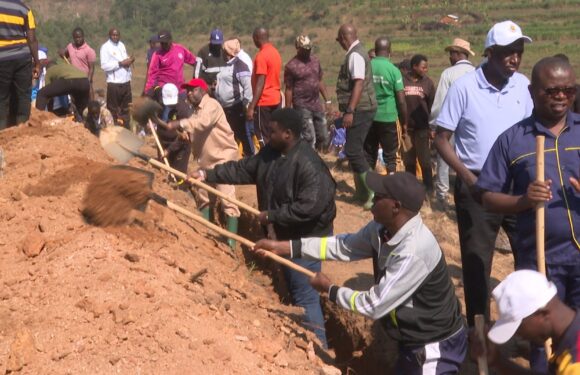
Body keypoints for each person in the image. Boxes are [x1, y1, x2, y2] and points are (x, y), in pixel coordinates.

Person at [254, 172, 466, 372]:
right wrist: (285, 247)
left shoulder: (413, 251)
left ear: (395, 207)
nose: (372, 198)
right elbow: (343, 246)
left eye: (379, 196)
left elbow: (374, 305)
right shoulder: (382, 229)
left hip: (434, 346)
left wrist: (331, 290)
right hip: (410, 341)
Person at [192, 107, 335, 348]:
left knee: (304, 293)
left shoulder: (309, 165)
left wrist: (272, 215)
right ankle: (302, 339)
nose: (267, 135)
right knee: (291, 285)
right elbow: (243, 169)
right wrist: (207, 175)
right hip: (283, 234)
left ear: (288, 134)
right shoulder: (271, 153)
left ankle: (319, 348)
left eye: (272, 131)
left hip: (307, 239)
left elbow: (310, 207)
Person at [476, 56, 580, 371]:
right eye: (552, 91)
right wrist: (522, 200)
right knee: (542, 338)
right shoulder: (513, 140)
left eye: (568, 90)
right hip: (541, 261)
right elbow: (485, 196)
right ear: (533, 91)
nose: (561, 96)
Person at [434, 20, 533, 327]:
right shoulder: (465, 87)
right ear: (490, 53)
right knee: (478, 263)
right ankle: (480, 333)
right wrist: (467, 178)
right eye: (507, 53)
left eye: (518, 52)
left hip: (518, 185)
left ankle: (530, 326)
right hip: (478, 186)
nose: (514, 59)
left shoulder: (523, 85)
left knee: (529, 257)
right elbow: (441, 138)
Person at [155, 79, 240, 245]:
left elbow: (203, 123)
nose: (188, 93)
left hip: (223, 159)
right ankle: (207, 235)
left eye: (192, 90)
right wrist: (186, 135)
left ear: (202, 90)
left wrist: (180, 123)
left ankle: (232, 244)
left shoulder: (212, 105)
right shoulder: (194, 112)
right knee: (202, 195)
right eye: (187, 90)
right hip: (205, 162)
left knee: (227, 198)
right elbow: (195, 129)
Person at [471, 270, 580, 374]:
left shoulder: (574, 365)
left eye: (518, 326)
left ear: (542, 314)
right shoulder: (569, 341)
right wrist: (498, 362)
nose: (518, 335)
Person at [335, 24, 378, 208]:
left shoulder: (354, 55)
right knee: (355, 151)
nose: (340, 45)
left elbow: (358, 84)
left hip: (360, 109)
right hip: (360, 108)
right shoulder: (357, 52)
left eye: (340, 41)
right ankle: (361, 193)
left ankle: (373, 193)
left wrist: (350, 111)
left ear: (344, 38)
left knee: (353, 150)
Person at [429, 38, 475, 209]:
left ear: (457, 54)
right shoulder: (477, 73)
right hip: (471, 125)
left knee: (444, 158)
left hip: (451, 124)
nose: (449, 57)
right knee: (466, 160)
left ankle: (442, 197)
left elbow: (440, 102)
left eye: (451, 54)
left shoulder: (448, 74)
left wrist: (434, 125)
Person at [364, 36, 408, 179]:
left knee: (369, 154)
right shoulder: (393, 70)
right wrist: (404, 121)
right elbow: (401, 101)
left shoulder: (367, 67)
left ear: (375, 51)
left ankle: (368, 189)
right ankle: (391, 188)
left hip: (369, 116)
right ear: (389, 51)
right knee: (391, 156)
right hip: (389, 117)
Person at [284, 35, 331, 150]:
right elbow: (289, 89)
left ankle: (321, 159)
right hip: (301, 105)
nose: (308, 51)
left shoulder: (315, 61)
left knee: (324, 136)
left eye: (309, 48)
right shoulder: (291, 66)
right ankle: (308, 161)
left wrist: (327, 100)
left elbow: (319, 81)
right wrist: (288, 109)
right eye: (305, 49)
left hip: (316, 103)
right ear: (298, 48)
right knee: (309, 137)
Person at [0, 0, 40, 129]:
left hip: (2, 58)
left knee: (2, 96)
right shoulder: (24, 9)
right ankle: (22, 129)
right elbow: (32, 39)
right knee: (23, 95)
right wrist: (37, 63)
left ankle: (2, 132)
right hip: (22, 58)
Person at [402, 54, 435, 191]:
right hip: (406, 128)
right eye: (423, 67)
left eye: (426, 67)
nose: (425, 70)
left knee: (425, 160)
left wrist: (432, 127)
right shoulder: (402, 81)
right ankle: (411, 189)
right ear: (414, 66)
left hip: (422, 128)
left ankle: (428, 188)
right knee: (409, 160)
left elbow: (433, 105)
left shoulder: (428, 83)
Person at [216, 39, 254, 157]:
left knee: (243, 135)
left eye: (223, 51)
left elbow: (248, 87)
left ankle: (250, 158)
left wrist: (246, 105)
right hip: (225, 108)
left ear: (227, 52)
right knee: (228, 135)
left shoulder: (240, 65)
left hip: (236, 107)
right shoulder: (225, 65)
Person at [246, 27, 282, 146]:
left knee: (262, 136)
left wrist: (252, 106)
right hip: (276, 99)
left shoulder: (261, 56)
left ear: (256, 38)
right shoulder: (275, 52)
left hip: (264, 101)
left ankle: (268, 162)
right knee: (274, 133)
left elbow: (260, 82)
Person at [153, 83, 192, 176]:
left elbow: (185, 137)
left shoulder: (184, 110)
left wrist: (169, 150)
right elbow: (152, 92)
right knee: (162, 172)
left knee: (178, 175)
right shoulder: (159, 95)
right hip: (162, 141)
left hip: (179, 145)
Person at [100, 28, 134, 128]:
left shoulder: (121, 45)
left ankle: (126, 130)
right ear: (109, 35)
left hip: (126, 82)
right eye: (113, 35)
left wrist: (129, 60)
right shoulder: (105, 47)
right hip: (114, 83)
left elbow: (124, 59)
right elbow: (104, 66)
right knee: (113, 110)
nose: (115, 37)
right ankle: (112, 131)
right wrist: (120, 63)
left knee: (126, 109)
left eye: (117, 35)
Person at [144, 30, 197, 96]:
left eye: (165, 43)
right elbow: (152, 74)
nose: (163, 45)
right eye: (162, 43)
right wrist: (147, 90)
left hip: (180, 90)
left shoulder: (180, 49)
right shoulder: (157, 55)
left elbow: (195, 62)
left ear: (170, 40)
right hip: (166, 91)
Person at [61, 27, 96, 94]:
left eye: (79, 37)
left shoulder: (89, 51)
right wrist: (61, 53)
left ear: (83, 37)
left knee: (88, 93)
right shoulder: (70, 46)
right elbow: (64, 55)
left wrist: (89, 80)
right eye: (76, 37)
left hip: (84, 78)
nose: (78, 39)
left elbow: (91, 68)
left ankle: (91, 104)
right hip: (73, 77)